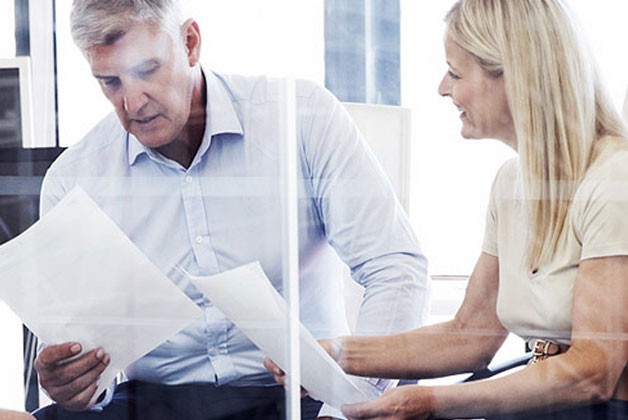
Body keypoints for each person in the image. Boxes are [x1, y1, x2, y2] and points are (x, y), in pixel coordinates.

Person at [31, 0, 429, 419]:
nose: (132, 104)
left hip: (300, 398)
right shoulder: (75, 180)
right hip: (151, 404)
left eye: (147, 71)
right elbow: (80, 352)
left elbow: (395, 267)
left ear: (190, 43)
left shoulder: (301, 118)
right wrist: (77, 384)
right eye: (110, 82)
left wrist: (349, 404)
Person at [267, 0, 628, 419]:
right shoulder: (511, 183)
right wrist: (332, 352)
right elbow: (468, 336)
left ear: (516, 77)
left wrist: (432, 402)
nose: (442, 87)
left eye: (455, 73)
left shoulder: (614, 180)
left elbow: (593, 371)